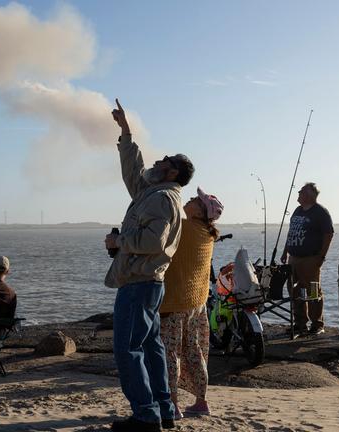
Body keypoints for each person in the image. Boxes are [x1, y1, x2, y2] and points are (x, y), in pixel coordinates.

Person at [104, 98, 195, 432]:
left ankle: (145, 416)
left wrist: (119, 243)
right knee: (151, 347)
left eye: (165, 160)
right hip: (149, 284)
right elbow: (133, 170)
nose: (157, 160)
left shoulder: (160, 198)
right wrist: (125, 131)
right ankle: (164, 411)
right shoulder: (152, 192)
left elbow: (153, 242)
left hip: (140, 283)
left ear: (172, 172)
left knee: (127, 350)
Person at [159, 188, 223, 420]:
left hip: (176, 302)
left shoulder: (184, 228)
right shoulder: (207, 232)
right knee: (195, 351)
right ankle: (201, 401)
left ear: (200, 212)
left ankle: (173, 405)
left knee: (170, 353)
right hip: (197, 302)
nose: (190, 200)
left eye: (195, 200)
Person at [280, 182, 334, 335]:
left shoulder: (320, 212)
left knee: (312, 291)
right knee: (295, 291)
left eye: (301, 191)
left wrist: (321, 256)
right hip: (293, 258)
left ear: (309, 195)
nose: (298, 193)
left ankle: (317, 324)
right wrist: (285, 252)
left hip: (310, 258)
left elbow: (328, 234)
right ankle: (300, 323)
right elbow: (291, 233)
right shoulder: (297, 210)